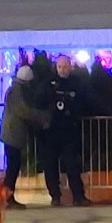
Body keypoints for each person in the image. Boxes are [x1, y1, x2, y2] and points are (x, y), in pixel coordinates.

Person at [40, 55, 91, 206]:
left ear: (70, 67)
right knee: (50, 166)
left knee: (72, 165)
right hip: (51, 132)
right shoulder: (48, 84)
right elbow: (39, 102)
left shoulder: (75, 83)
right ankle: (55, 196)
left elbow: (84, 101)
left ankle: (78, 197)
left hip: (68, 131)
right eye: (60, 67)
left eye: (65, 67)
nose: (62, 70)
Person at [0, 64, 52, 209]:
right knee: (13, 167)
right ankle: (6, 197)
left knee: (13, 166)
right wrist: (41, 117)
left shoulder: (15, 90)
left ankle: (7, 196)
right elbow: (23, 110)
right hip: (13, 134)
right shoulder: (17, 92)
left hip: (13, 133)